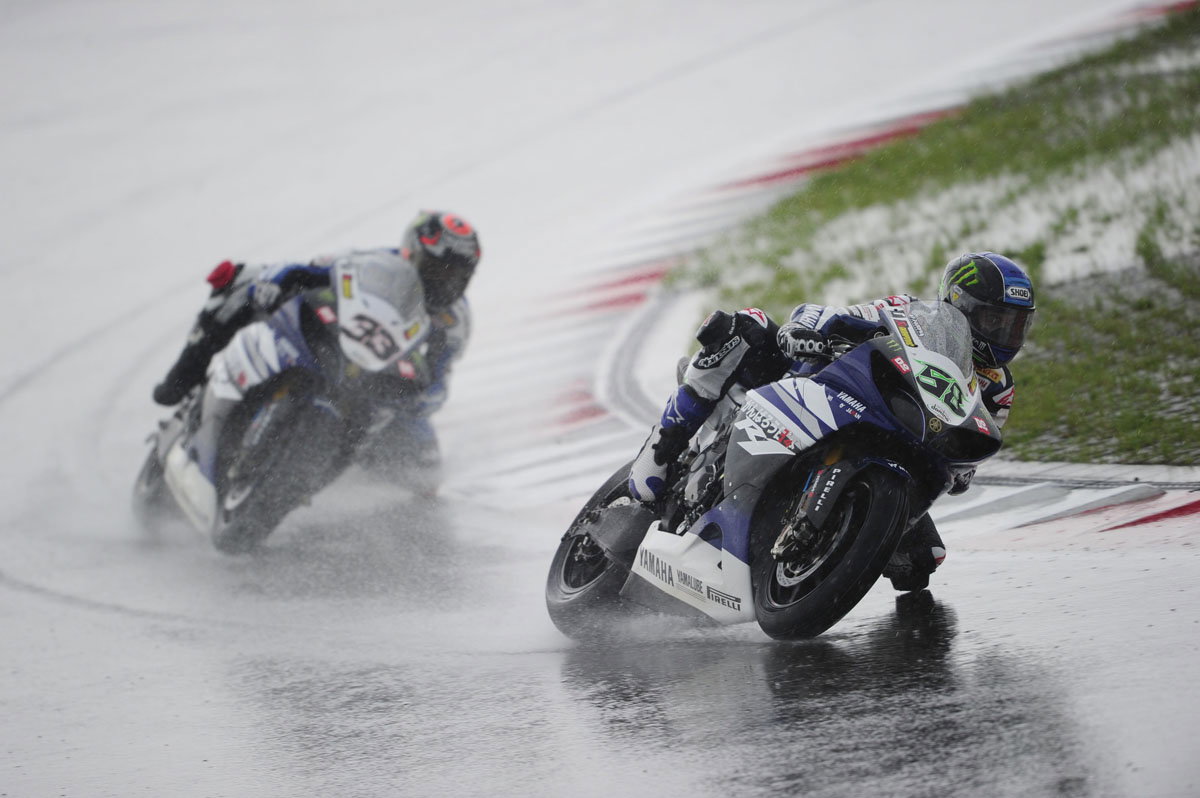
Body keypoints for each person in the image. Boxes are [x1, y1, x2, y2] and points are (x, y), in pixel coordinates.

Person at [627, 251, 1036, 591]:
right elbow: (826, 315)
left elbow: (969, 458)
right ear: (958, 304)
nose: (1005, 334)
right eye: (994, 319)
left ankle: (820, 550)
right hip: (817, 390)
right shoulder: (910, 314)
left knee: (919, 563)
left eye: (1016, 324)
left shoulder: (998, 389)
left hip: (896, 449)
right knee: (745, 327)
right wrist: (808, 329)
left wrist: (961, 466)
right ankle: (658, 455)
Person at [152, 209, 482, 477]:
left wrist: (419, 400)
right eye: (438, 269)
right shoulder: (373, 260)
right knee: (240, 283)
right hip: (331, 344)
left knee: (425, 468)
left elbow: (439, 378)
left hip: (382, 384)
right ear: (412, 253)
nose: (446, 281)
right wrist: (277, 281)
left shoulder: (455, 322)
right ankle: (183, 378)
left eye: (457, 275)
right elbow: (310, 270)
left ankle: (346, 507)